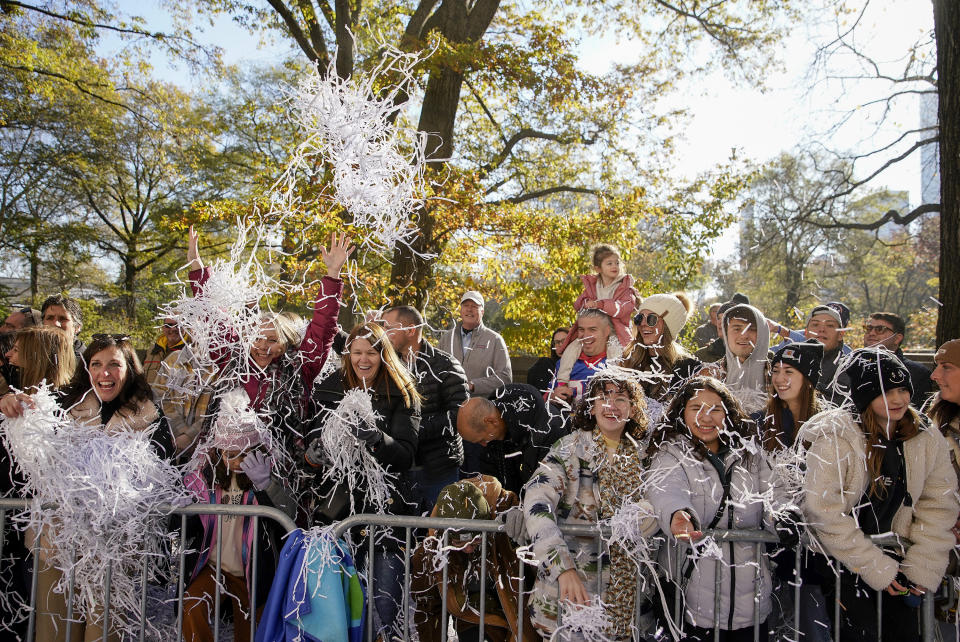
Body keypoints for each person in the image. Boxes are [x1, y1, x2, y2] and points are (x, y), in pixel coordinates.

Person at [799, 348, 958, 640]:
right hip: (843, 565)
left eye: (902, 389)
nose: (897, 399)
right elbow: (822, 509)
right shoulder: (835, 436)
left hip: (902, 564)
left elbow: (938, 505)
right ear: (864, 396)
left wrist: (922, 568)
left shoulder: (925, 435)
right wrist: (876, 568)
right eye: (885, 391)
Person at [32, 334, 174, 641]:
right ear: (87, 369)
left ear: (129, 369)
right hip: (60, 543)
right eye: (96, 364)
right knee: (55, 627)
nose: (104, 373)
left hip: (113, 549)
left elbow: (164, 470)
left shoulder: (148, 415)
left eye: (114, 365)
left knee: (103, 629)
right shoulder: (67, 409)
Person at [304, 321, 422, 638]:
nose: (363, 360)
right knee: (340, 607)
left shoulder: (402, 392)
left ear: (384, 354)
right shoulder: (329, 388)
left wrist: (374, 438)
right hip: (336, 516)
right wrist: (314, 455)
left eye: (371, 352)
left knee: (383, 606)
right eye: (357, 352)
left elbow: (406, 456)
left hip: (385, 517)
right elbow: (311, 443)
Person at [647, 376, 787, 642]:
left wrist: (784, 518)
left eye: (715, 408)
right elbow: (667, 488)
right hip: (694, 605)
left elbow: (775, 494)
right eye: (696, 407)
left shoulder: (751, 455)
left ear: (729, 413)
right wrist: (679, 514)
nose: (706, 416)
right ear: (681, 413)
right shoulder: (671, 452)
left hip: (753, 603)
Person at [523, 369, 658, 641]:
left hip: (629, 605)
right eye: (603, 397)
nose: (611, 406)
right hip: (573, 605)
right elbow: (537, 502)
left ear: (632, 409)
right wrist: (562, 567)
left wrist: (654, 515)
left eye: (621, 399)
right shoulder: (569, 449)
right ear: (592, 406)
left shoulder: (648, 457)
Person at [187, 227, 349, 439]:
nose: (263, 346)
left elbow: (323, 327)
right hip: (228, 461)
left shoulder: (301, 367)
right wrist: (196, 266)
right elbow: (213, 316)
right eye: (256, 339)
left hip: (283, 463)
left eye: (272, 340)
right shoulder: (232, 360)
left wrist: (333, 274)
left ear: (285, 343)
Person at [181, 391, 295, 642]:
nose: (234, 461)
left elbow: (289, 520)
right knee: (191, 608)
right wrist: (183, 510)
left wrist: (266, 488)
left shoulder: (267, 473)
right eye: (228, 454)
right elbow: (186, 531)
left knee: (251, 634)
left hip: (251, 573)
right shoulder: (204, 479)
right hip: (213, 568)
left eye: (242, 454)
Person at [0, 326, 76, 639]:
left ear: (35, 356)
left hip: (31, 539)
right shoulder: (14, 400)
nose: (8, 355)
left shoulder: (60, 409)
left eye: (16, 350)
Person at [410, 477, 535, 642]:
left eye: (475, 540)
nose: (468, 548)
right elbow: (429, 610)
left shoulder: (506, 513)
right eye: (458, 543)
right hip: (473, 618)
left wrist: (526, 520)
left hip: (518, 609)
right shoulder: (430, 553)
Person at [380, 305, 470, 513]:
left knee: (438, 533)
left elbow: (460, 415)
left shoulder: (446, 365)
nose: (384, 333)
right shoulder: (387, 365)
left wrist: (411, 430)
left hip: (437, 468)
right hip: (399, 468)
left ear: (410, 330)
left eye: (389, 327)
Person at [457, 383, 567, 494]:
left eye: (482, 440)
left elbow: (553, 489)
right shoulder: (493, 438)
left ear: (491, 421)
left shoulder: (548, 429)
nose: (483, 444)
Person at [621, 293, 701, 409]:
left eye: (651, 319)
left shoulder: (689, 369)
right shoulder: (628, 362)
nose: (643, 324)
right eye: (639, 318)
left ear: (668, 326)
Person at [556, 243, 639, 353]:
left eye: (617, 263)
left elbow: (623, 309)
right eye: (609, 263)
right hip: (592, 333)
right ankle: (564, 371)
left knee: (615, 355)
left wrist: (600, 304)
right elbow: (577, 305)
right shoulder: (593, 287)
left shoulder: (625, 288)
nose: (615, 266)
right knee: (571, 351)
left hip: (616, 334)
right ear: (598, 268)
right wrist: (586, 302)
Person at [755, 340, 827, 452]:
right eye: (775, 371)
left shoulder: (826, 424)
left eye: (788, 372)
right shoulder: (759, 423)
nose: (779, 379)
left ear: (807, 380)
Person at [770, 302, 852, 397]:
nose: (822, 329)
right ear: (806, 333)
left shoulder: (849, 368)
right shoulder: (786, 360)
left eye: (829, 325)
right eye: (815, 324)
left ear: (840, 335)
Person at [440, 290, 512, 398]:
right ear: (461, 310)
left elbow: (505, 378)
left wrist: (473, 385)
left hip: (481, 406)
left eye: (474, 306)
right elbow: (435, 371)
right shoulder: (446, 338)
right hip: (448, 404)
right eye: (466, 305)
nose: (469, 309)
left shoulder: (495, 340)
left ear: (482, 311)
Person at [549, 309, 620, 406]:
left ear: (606, 331)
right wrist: (553, 397)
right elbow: (545, 399)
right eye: (581, 329)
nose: (585, 335)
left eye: (592, 329)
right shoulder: (564, 363)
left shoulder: (620, 363)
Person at [710, 303, 771, 414]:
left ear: (763, 333)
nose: (744, 335)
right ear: (726, 333)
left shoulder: (780, 375)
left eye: (752, 329)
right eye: (737, 329)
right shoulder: (711, 375)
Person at [863, 312, 933, 408]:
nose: (871, 333)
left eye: (880, 329)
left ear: (897, 338)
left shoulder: (917, 374)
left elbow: (916, 416)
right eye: (868, 328)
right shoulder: (851, 367)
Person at [694, 293, 749, 363]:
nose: (720, 322)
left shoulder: (752, 354)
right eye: (719, 318)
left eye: (725, 318)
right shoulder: (701, 355)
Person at [143, 317, 186, 385]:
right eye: (169, 325)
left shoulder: (191, 353)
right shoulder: (152, 350)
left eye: (178, 325)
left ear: (185, 327)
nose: (173, 329)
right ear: (163, 328)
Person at [41, 294, 85, 360]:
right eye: (50, 318)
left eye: (63, 319)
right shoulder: (32, 356)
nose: (55, 324)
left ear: (77, 327)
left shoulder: (87, 363)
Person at [526, 328, 568, 393]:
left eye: (564, 341)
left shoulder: (582, 364)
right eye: (557, 342)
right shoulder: (546, 365)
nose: (560, 345)